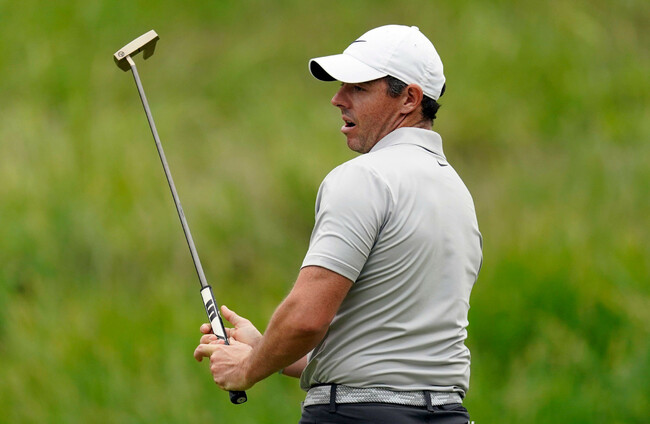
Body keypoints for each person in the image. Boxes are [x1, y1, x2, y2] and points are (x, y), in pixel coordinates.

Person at [193, 24, 483, 424]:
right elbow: (380, 352)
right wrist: (265, 350)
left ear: (409, 99)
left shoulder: (364, 177)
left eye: (359, 88)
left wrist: (246, 369)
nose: (337, 98)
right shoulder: (457, 191)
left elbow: (306, 319)